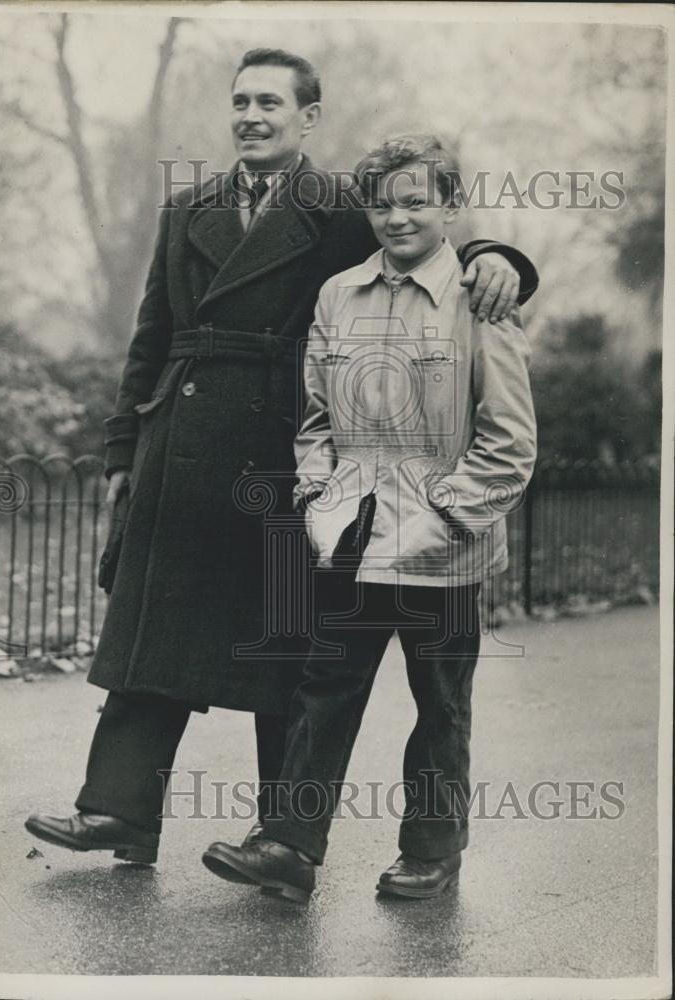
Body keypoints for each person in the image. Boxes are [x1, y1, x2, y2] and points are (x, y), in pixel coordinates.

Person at [25, 52, 538, 867]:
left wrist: (500, 257)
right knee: (153, 630)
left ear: (308, 118)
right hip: (185, 442)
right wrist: (125, 444)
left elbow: (418, 232)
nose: (252, 116)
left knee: (290, 646)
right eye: (240, 102)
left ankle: (283, 838)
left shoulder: (340, 206)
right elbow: (150, 337)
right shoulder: (186, 209)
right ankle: (119, 811)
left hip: (288, 450)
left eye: (271, 102)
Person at [201, 133, 537, 903]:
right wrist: (320, 499)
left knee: (440, 705)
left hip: (445, 546)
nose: (396, 217)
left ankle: (431, 850)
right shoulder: (337, 295)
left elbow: (510, 443)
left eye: (416, 201)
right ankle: (288, 847)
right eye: (382, 203)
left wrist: (446, 518)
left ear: (450, 207)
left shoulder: (483, 302)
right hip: (350, 538)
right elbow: (315, 421)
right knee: (324, 692)